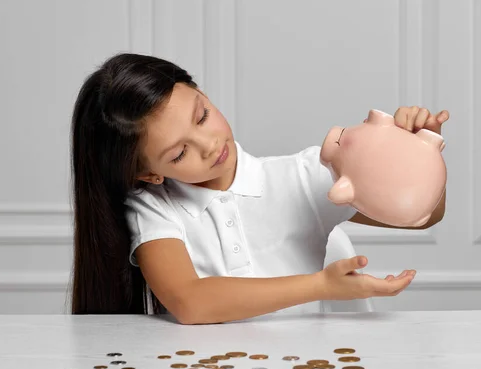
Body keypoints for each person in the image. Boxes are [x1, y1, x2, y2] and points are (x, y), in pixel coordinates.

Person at [70, 53, 449, 323]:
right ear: (149, 175)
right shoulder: (155, 209)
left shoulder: (301, 176)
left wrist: (418, 154)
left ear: (201, 92)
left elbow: (421, 217)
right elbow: (190, 302)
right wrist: (320, 287)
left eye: (202, 116)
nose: (209, 145)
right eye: (180, 152)